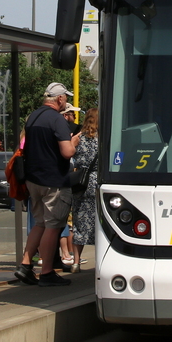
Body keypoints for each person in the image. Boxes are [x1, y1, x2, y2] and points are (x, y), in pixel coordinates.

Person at [15, 83, 80, 287]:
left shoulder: (33, 117)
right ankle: (47, 272)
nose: (66, 102)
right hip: (54, 181)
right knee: (53, 226)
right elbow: (67, 152)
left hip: (33, 179)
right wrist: (74, 142)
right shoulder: (56, 120)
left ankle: (25, 265)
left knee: (40, 223)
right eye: (66, 99)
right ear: (59, 99)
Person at [70, 108, 100, 274]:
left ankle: (76, 262)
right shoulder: (101, 139)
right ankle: (99, 261)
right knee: (98, 223)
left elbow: (71, 157)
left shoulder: (78, 138)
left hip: (79, 182)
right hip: (96, 181)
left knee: (79, 223)